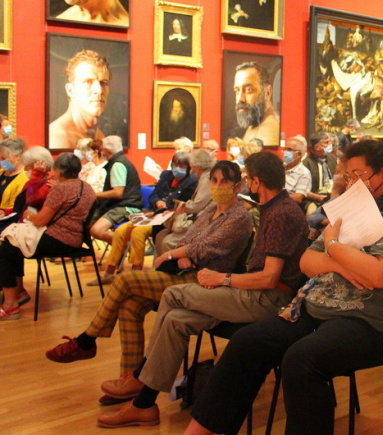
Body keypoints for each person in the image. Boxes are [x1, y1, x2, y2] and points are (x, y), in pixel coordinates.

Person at [184, 139, 383, 435]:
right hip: (318, 307)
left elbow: (380, 275)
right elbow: (307, 261)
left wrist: (333, 246)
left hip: (371, 320)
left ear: (382, 175)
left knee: (301, 360)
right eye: (347, 176)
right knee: (247, 343)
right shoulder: (350, 207)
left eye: (357, 175)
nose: (350, 182)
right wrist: (341, 262)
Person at [97, 152, 309, 428]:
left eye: (246, 180)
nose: (246, 185)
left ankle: (139, 376)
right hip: (253, 292)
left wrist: (222, 279)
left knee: (173, 294)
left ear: (256, 181)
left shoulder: (280, 213)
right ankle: (144, 405)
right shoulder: (272, 209)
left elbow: (269, 278)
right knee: (175, 320)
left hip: (270, 299)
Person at [44, 161, 253, 381]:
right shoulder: (211, 209)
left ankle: (87, 340)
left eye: (225, 181)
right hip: (185, 272)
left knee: (125, 281)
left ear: (237, 186)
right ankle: (129, 378)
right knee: (130, 305)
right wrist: (185, 254)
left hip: (206, 281)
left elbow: (205, 247)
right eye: (214, 181)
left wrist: (174, 254)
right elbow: (189, 239)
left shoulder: (238, 216)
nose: (218, 186)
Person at [0, 153, 96, 321]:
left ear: (58, 171)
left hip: (57, 239)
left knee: (7, 246)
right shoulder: (87, 188)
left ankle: (10, 304)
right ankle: (18, 293)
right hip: (76, 239)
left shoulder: (58, 188)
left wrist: (28, 214)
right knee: (12, 242)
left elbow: (39, 216)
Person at [91, 151, 198, 285]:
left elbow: (182, 202)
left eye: (182, 166)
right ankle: (109, 271)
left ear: (188, 167)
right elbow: (153, 195)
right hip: (152, 213)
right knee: (120, 231)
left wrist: (165, 206)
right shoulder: (166, 175)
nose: (178, 168)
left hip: (167, 218)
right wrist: (157, 203)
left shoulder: (192, 180)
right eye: (175, 164)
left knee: (138, 232)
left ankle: (136, 273)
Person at [154, 149, 215, 255]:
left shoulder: (206, 179)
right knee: (160, 235)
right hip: (193, 217)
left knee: (167, 241)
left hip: (200, 221)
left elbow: (196, 206)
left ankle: (171, 269)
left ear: (197, 164)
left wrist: (179, 207)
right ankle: (159, 268)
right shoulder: (202, 176)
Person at [48, 50, 111, 149]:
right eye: (88, 82)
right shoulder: (57, 138)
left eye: (103, 82)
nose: (98, 90)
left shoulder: (100, 136)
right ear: (70, 90)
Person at [89, 136, 143, 245]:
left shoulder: (118, 165)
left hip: (126, 206)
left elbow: (118, 193)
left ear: (107, 151)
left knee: (96, 230)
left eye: (102, 149)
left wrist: (94, 195)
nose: (101, 152)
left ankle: (130, 245)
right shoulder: (120, 161)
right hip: (119, 204)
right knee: (88, 223)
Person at [231, 61, 279, 145]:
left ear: (267, 92)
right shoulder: (256, 123)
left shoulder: (269, 131)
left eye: (248, 90)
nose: (240, 99)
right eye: (237, 91)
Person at [302, 132, 337, 214]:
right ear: (317, 147)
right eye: (326, 142)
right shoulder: (306, 163)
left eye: (330, 141)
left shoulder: (332, 158)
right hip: (313, 199)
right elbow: (301, 189)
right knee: (311, 215)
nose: (330, 144)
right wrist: (316, 197)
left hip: (332, 196)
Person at [0, 138, 29, 216]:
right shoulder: (1, 172)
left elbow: (17, 208)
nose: (1, 161)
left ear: (17, 156)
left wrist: (4, 212)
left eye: (4, 158)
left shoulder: (25, 178)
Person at [282, 136, 311, 206]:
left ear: (299, 154)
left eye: (289, 150)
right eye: (284, 149)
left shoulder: (304, 173)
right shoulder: (279, 168)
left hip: (287, 207)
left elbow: (298, 198)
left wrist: (275, 197)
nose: (285, 152)